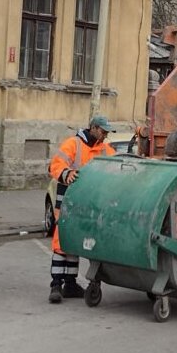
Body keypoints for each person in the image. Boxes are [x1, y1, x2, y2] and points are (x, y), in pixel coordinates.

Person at [47, 115, 115, 303]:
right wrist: (66, 173)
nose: (105, 136)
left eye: (107, 133)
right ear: (93, 128)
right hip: (67, 204)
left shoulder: (105, 150)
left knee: (74, 244)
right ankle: (55, 285)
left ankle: (69, 284)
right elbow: (55, 165)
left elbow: (118, 166)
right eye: (103, 131)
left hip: (88, 206)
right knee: (61, 244)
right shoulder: (73, 144)